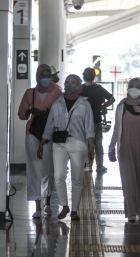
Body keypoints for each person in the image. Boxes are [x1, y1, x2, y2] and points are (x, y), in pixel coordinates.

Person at [37, 74, 95, 221]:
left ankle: (75, 210)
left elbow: (89, 127)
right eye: (67, 82)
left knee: (77, 178)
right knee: (58, 176)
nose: (70, 85)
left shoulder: (84, 104)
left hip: (78, 143)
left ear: (79, 86)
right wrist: (43, 142)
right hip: (59, 143)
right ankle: (64, 205)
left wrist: (90, 144)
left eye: (73, 82)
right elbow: (50, 124)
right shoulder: (57, 103)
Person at [108, 78, 140, 222]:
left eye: (137, 86)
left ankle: (139, 208)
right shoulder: (121, 107)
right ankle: (131, 212)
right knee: (129, 181)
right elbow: (117, 129)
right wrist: (111, 147)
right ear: (127, 88)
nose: (134, 89)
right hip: (126, 148)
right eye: (132, 86)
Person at [17, 64, 62, 218]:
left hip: (50, 134)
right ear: (37, 76)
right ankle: (37, 203)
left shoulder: (57, 92)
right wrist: (31, 111)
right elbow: (21, 114)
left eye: (47, 75)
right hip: (33, 132)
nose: (45, 79)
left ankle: (47, 200)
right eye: (42, 76)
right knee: (34, 168)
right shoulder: (30, 92)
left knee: (49, 169)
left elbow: (62, 111)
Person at [81, 68, 115, 172]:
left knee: (85, 143)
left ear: (83, 76)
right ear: (94, 77)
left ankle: (87, 164)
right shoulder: (98, 89)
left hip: (83, 121)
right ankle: (99, 165)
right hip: (96, 119)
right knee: (98, 144)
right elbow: (112, 99)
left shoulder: (80, 89)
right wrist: (103, 106)